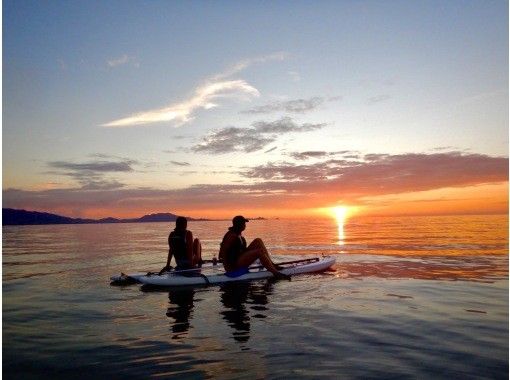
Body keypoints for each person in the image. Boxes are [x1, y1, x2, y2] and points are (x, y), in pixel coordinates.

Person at [219, 216, 290, 280]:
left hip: (239, 257)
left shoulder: (238, 233)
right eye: (244, 224)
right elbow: (223, 251)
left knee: (258, 240)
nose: (245, 225)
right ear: (239, 225)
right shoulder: (231, 235)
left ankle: (272, 265)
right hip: (234, 264)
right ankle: (276, 273)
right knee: (259, 251)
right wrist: (228, 269)